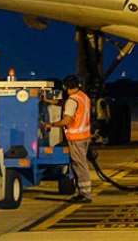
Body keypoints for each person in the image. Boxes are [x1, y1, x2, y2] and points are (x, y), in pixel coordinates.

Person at [44, 75, 93, 203]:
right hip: (84, 136)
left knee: (79, 165)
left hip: (76, 138)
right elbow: (65, 103)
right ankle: (82, 192)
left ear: (66, 87)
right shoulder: (83, 96)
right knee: (80, 164)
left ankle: (85, 194)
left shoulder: (72, 100)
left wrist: (51, 124)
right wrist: (49, 101)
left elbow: (67, 120)